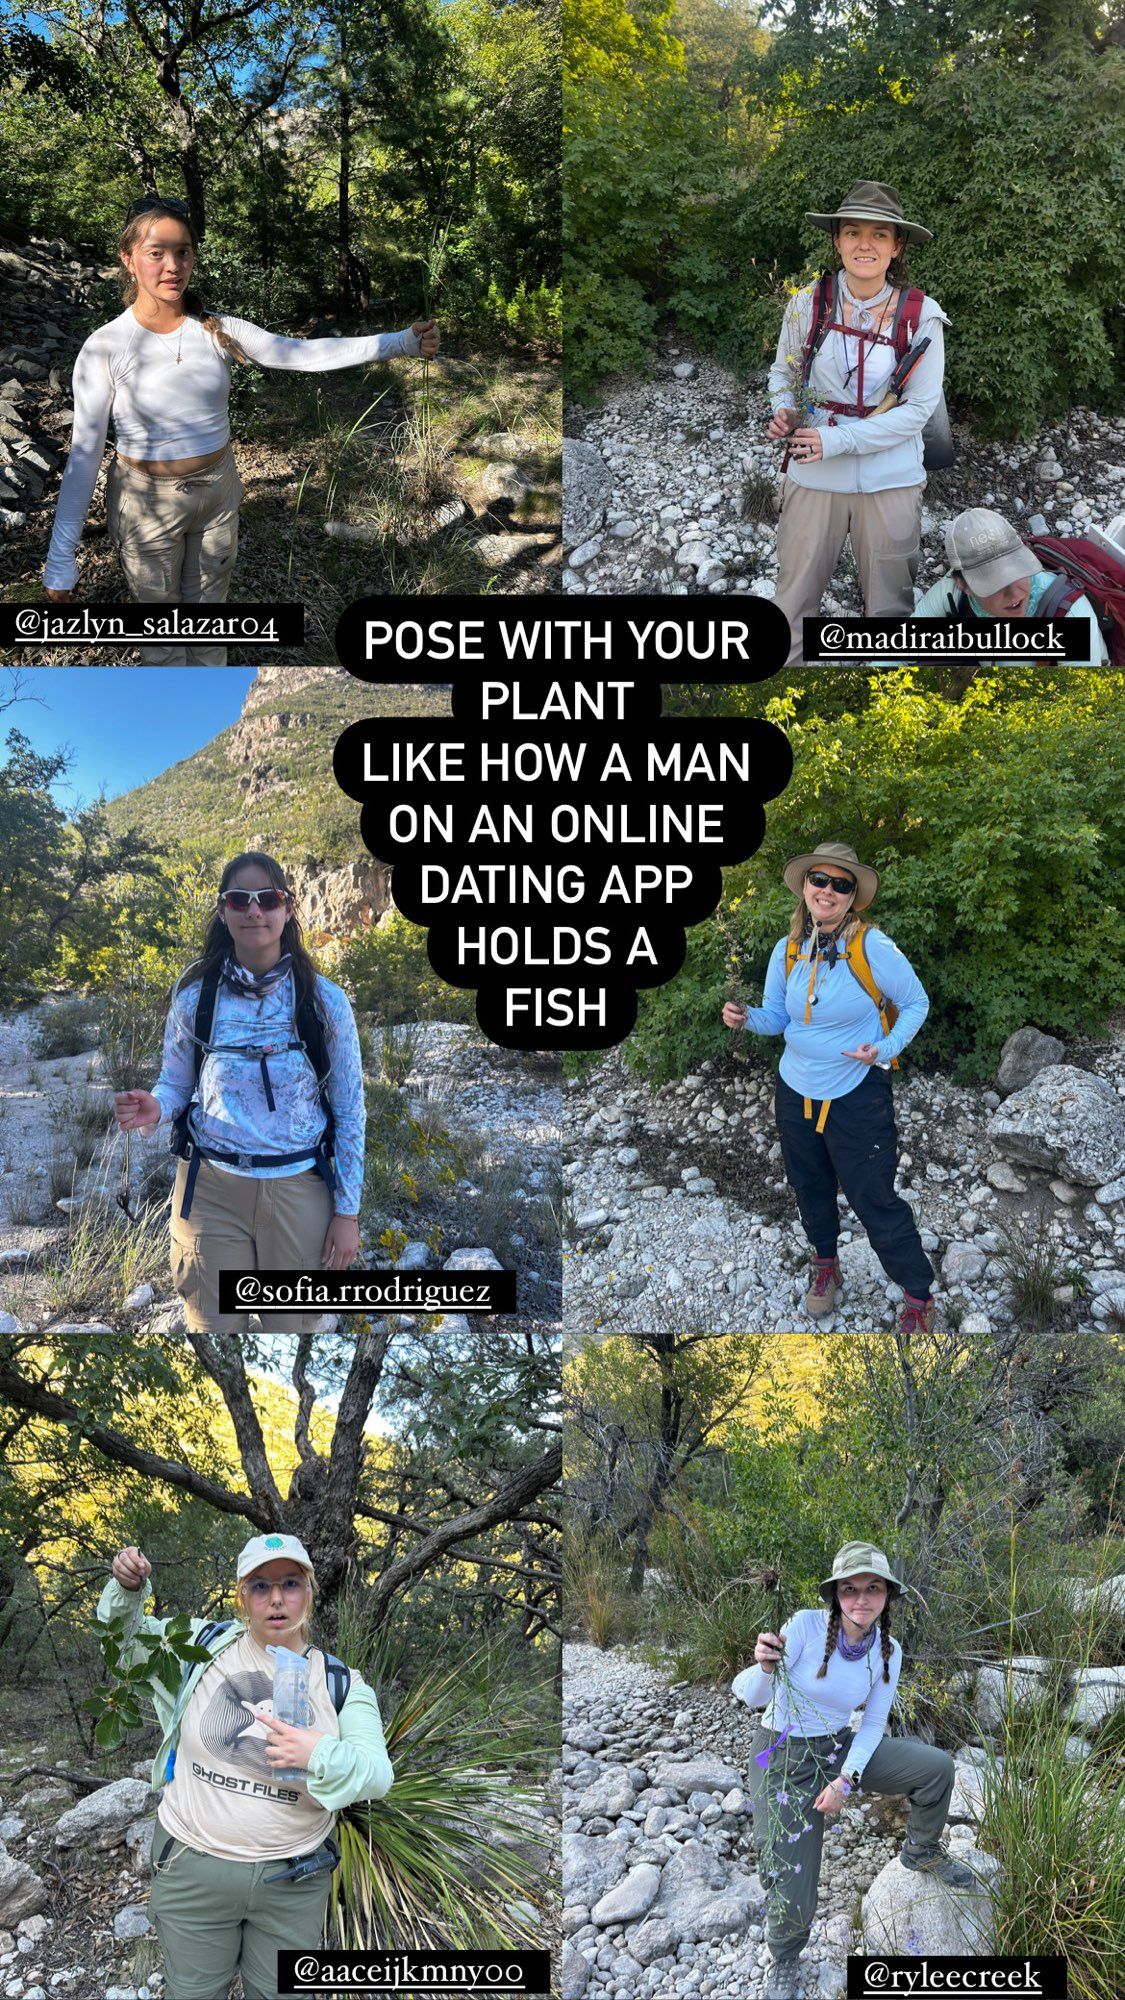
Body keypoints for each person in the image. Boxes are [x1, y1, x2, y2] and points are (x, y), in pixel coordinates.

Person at [42, 193, 441, 663]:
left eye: (183, 251)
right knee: (162, 645)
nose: (172, 266)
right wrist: (61, 556)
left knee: (209, 629)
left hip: (217, 493)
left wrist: (399, 343)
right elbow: (86, 452)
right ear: (129, 260)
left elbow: (300, 353)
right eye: (156, 253)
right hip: (146, 503)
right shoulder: (105, 346)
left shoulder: (217, 329)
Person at [100, 1532, 393, 2000]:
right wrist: (128, 1591)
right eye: (260, 1586)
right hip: (193, 1867)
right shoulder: (198, 1647)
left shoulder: (339, 1683)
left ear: (310, 1593)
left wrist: (316, 1752)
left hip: (293, 1883)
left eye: (291, 1583)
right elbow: (125, 1646)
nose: (276, 1598)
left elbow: (377, 1774)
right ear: (242, 1596)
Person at [113, 851, 365, 1334]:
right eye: (240, 899)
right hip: (209, 1195)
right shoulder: (194, 997)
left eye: (268, 899)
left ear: (287, 909)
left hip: (301, 1193)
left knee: (295, 1332)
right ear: (223, 910)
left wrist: (347, 1212)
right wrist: (156, 1107)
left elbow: (351, 1112)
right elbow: (177, 1083)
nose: (254, 911)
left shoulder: (325, 1002)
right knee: (212, 1328)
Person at [735, 1542, 974, 2000]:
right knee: (787, 1868)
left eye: (872, 1588)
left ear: (887, 1595)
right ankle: (785, 1957)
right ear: (836, 1595)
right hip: (780, 1753)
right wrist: (763, 1666)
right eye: (850, 1589)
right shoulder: (804, 1625)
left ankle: (922, 1849)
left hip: (837, 1747)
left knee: (936, 1768)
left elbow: (872, 1726)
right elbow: (750, 1695)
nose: (861, 1599)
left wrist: (846, 1779)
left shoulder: (889, 1650)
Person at [721, 842, 935, 1334]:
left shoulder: (873, 947)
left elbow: (917, 1003)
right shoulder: (788, 948)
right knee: (808, 1185)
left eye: (841, 884)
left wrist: (882, 1048)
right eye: (820, 880)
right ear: (804, 887)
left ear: (852, 896)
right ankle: (825, 1264)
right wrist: (744, 1018)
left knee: (872, 1195)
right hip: (795, 1090)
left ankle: (918, 1295)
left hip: (857, 1090)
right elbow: (777, 1019)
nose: (828, 890)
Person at [767, 182, 949, 667]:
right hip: (813, 472)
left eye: (879, 234)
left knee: (889, 609)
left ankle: (880, 713)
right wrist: (783, 408)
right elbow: (784, 371)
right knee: (794, 600)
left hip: (890, 478)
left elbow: (916, 412)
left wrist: (838, 439)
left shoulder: (922, 315)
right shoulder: (807, 304)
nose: (864, 244)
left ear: (896, 246)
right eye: (852, 232)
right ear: (837, 241)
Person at [914, 506, 1111, 663]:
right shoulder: (952, 591)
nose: (1015, 594)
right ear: (963, 585)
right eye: (994, 583)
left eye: (1016, 572)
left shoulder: (1069, 612)